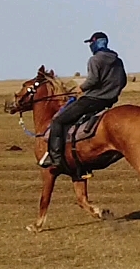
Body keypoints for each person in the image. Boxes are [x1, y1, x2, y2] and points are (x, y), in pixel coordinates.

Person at [40, 32, 126, 172]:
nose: (90, 46)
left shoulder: (94, 60)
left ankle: (55, 157)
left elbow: (93, 80)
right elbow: (123, 81)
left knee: (58, 120)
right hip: (109, 100)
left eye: (91, 43)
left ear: (95, 43)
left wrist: (81, 88)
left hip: (93, 99)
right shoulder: (117, 60)